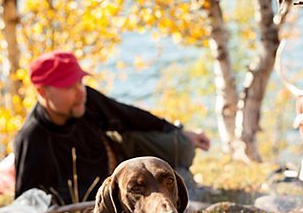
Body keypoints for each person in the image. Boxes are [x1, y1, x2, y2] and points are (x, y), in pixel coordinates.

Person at [14, 51, 211, 204]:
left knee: (182, 145)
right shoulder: (32, 138)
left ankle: (178, 176)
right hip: (106, 197)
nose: (80, 91)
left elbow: (127, 115)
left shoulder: (85, 100)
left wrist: (176, 130)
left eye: (80, 82)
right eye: (68, 87)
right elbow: (27, 202)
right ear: (42, 92)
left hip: (121, 156)